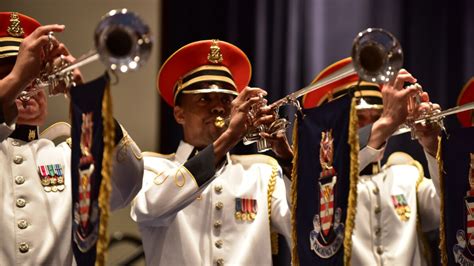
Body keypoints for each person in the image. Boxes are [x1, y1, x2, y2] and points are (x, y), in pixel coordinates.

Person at [130, 39, 291, 265]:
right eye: (204, 98)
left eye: (226, 99)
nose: (218, 107)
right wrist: (228, 139)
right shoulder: (151, 167)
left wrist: (288, 159)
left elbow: (303, 230)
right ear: (179, 114)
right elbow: (150, 208)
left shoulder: (262, 173)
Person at [0, 12, 143, 265]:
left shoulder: (68, 155)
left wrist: (84, 98)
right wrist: (17, 79)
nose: (27, 85)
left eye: (33, 75)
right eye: (8, 72)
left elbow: (127, 183)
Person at [302, 57, 442, 265]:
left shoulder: (407, 176)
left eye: (377, 117)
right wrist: (383, 125)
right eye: (359, 119)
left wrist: (431, 145)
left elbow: (452, 209)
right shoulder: (320, 185)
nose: (374, 126)